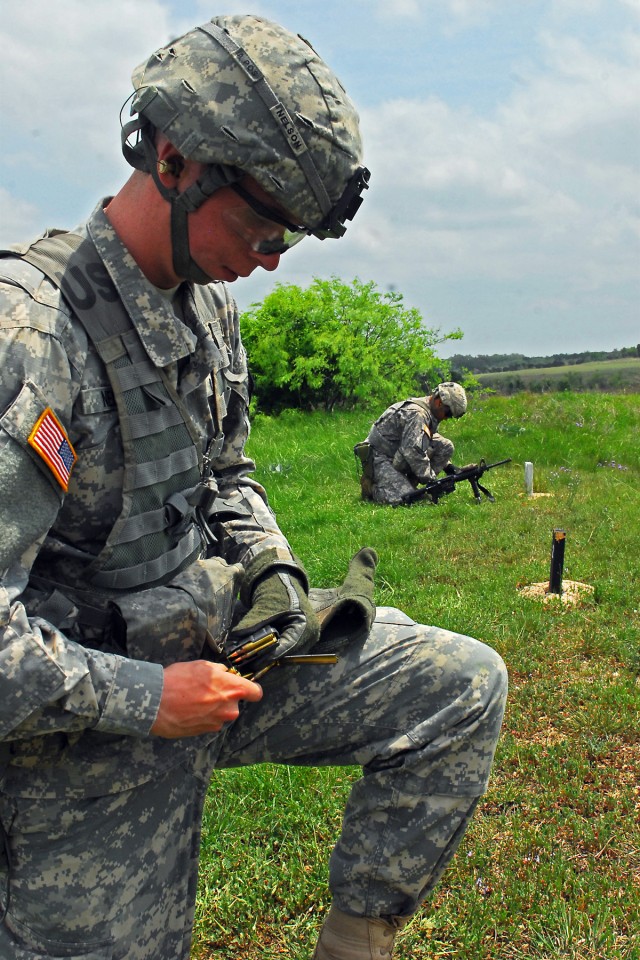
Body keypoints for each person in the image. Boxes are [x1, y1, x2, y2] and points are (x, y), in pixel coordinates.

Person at [0, 15, 507, 960]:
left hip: (221, 656)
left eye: (289, 236)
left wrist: (270, 567)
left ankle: (357, 942)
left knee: (461, 687)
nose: (272, 256)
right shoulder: (35, 337)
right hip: (84, 728)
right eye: (260, 224)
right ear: (177, 161)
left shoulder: (208, 301)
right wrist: (145, 698)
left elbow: (225, 470)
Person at [357, 382, 468, 506]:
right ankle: (372, 488)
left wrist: (449, 467)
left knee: (445, 446)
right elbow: (413, 451)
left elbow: (423, 442)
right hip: (380, 457)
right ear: (439, 402)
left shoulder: (430, 413)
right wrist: (432, 480)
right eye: (448, 414)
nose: (447, 418)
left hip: (399, 454)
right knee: (407, 498)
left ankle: (408, 483)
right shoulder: (417, 414)